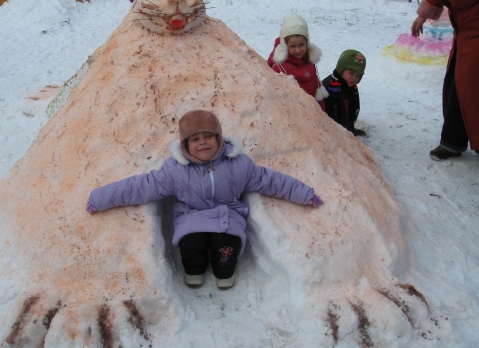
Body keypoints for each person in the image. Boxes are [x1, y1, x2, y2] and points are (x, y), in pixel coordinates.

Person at [86, 110, 323, 290]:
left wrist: (304, 193)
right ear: (185, 145)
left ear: (219, 139)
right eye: (195, 139)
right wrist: (101, 198)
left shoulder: (238, 165)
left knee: (226, 244)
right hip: (191, 216)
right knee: (192, 244)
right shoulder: (175, 171)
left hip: (228, 215)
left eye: (208, 136)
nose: (202, 143)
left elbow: (271, 181)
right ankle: (194, 270)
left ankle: (224, 269)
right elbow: (140, 187)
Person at [410, 0, 479, 161]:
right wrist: (423, 15)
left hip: (476, 27)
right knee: (458, 83)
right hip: (464, 29)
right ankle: (452, 142)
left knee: (471, 84)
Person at [268, 14, 328, 111]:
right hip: (296, 114)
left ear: (307, 43)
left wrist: (321, 113)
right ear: (285, 46)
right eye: (293, 46)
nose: (298, 50)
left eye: (301, 45)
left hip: (313, 112)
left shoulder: (309, 60)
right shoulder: (280, 67)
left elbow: (316, 86)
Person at [322, 50, 367, 137]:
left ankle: (350, 127)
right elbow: (336, 115)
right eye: (351, 73)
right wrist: (347, 134)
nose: (354, 78)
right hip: (330, 127)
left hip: (343, 124)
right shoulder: (333, 87)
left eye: (357, 76)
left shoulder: (348, 86)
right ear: (341, 69)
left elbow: (351, 109)